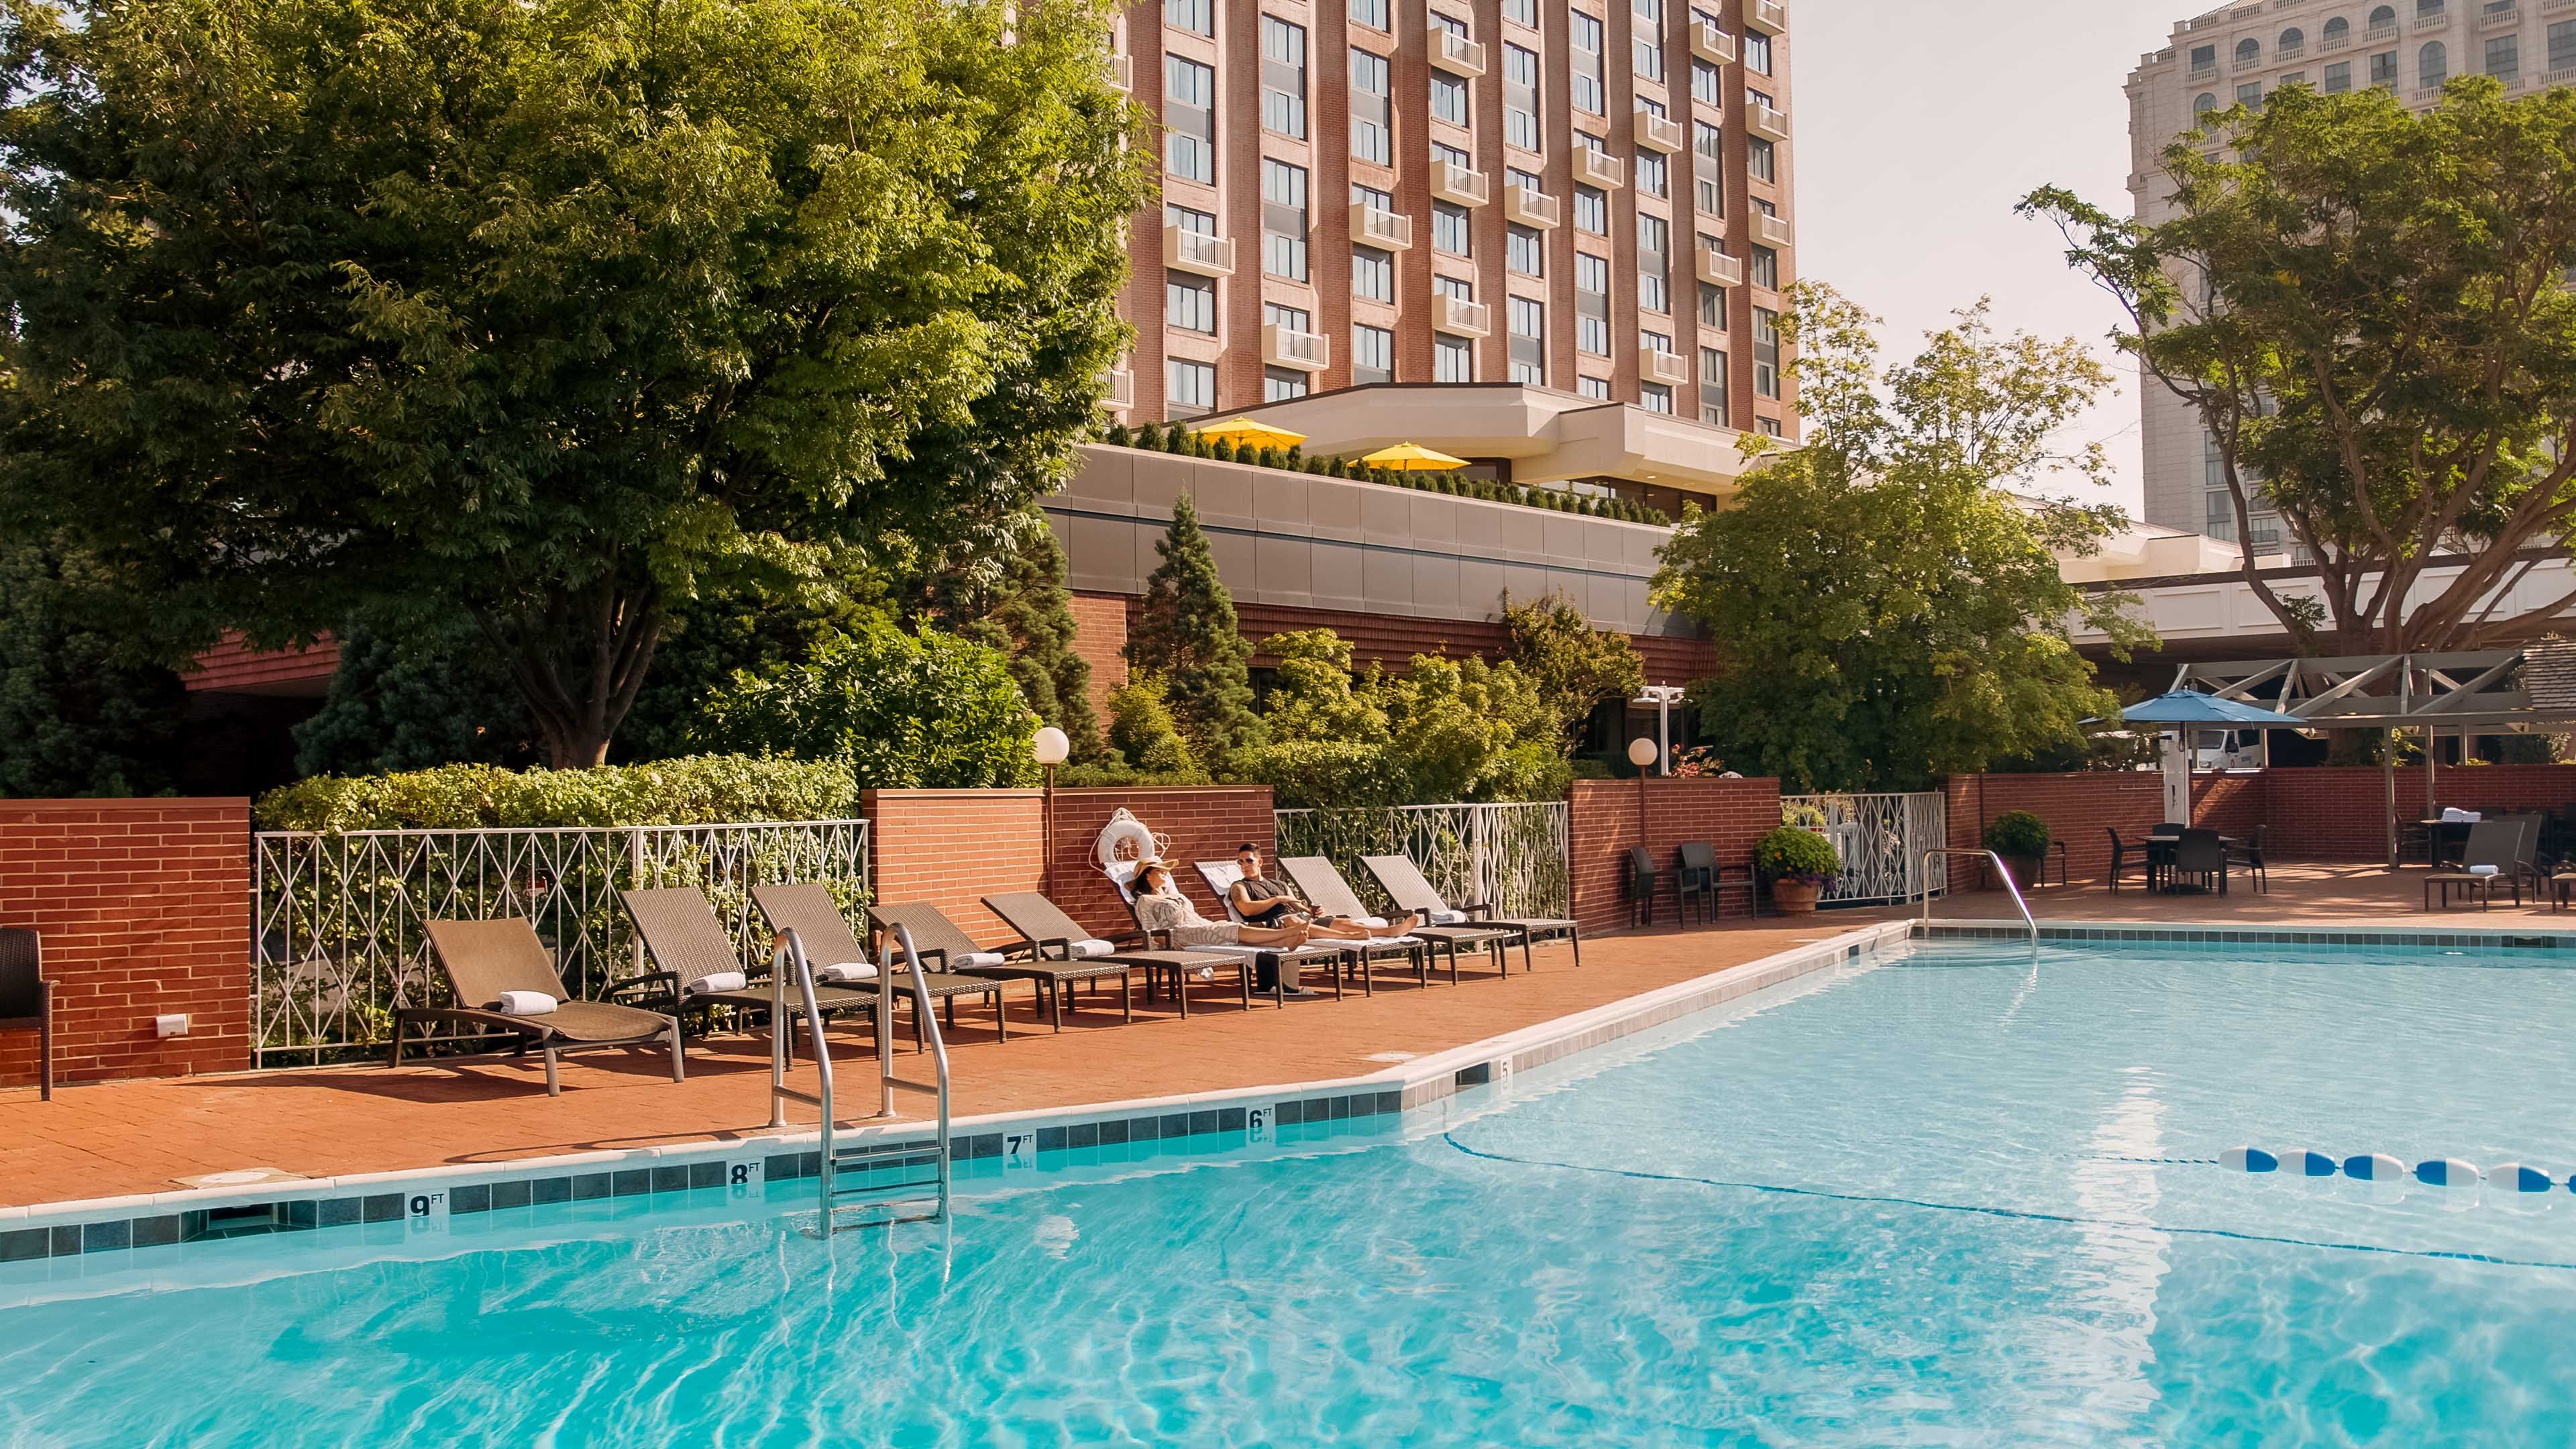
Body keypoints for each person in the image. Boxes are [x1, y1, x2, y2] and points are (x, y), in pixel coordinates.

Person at [1132, 859, 1320, 997]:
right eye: (1161, 871)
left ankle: (1284, 941)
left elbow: (1194, 916)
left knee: (1225, 927)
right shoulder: (1145, 901)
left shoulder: (1174, 895)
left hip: (1199, 926)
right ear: (1147, 876)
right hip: (1179, 935)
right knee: (1229, 930)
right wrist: (1169, 946)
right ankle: (1286, 933)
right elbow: (1150, 930)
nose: (1166, 874)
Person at [1228, 844, 1420, 941]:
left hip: (1300, 917)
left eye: (1249, 861)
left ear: (1260, 862)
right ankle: (1350, 938)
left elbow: (1297, 905)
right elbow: (1246, 909)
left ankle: (1390, 931)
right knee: (1294, 922)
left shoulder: (1278, 884)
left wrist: (1312, 911)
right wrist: (1277, 899)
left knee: (1341, 922)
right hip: (1275, 924)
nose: (1245, 866)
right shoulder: (1239, 886)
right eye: (1241, 862)